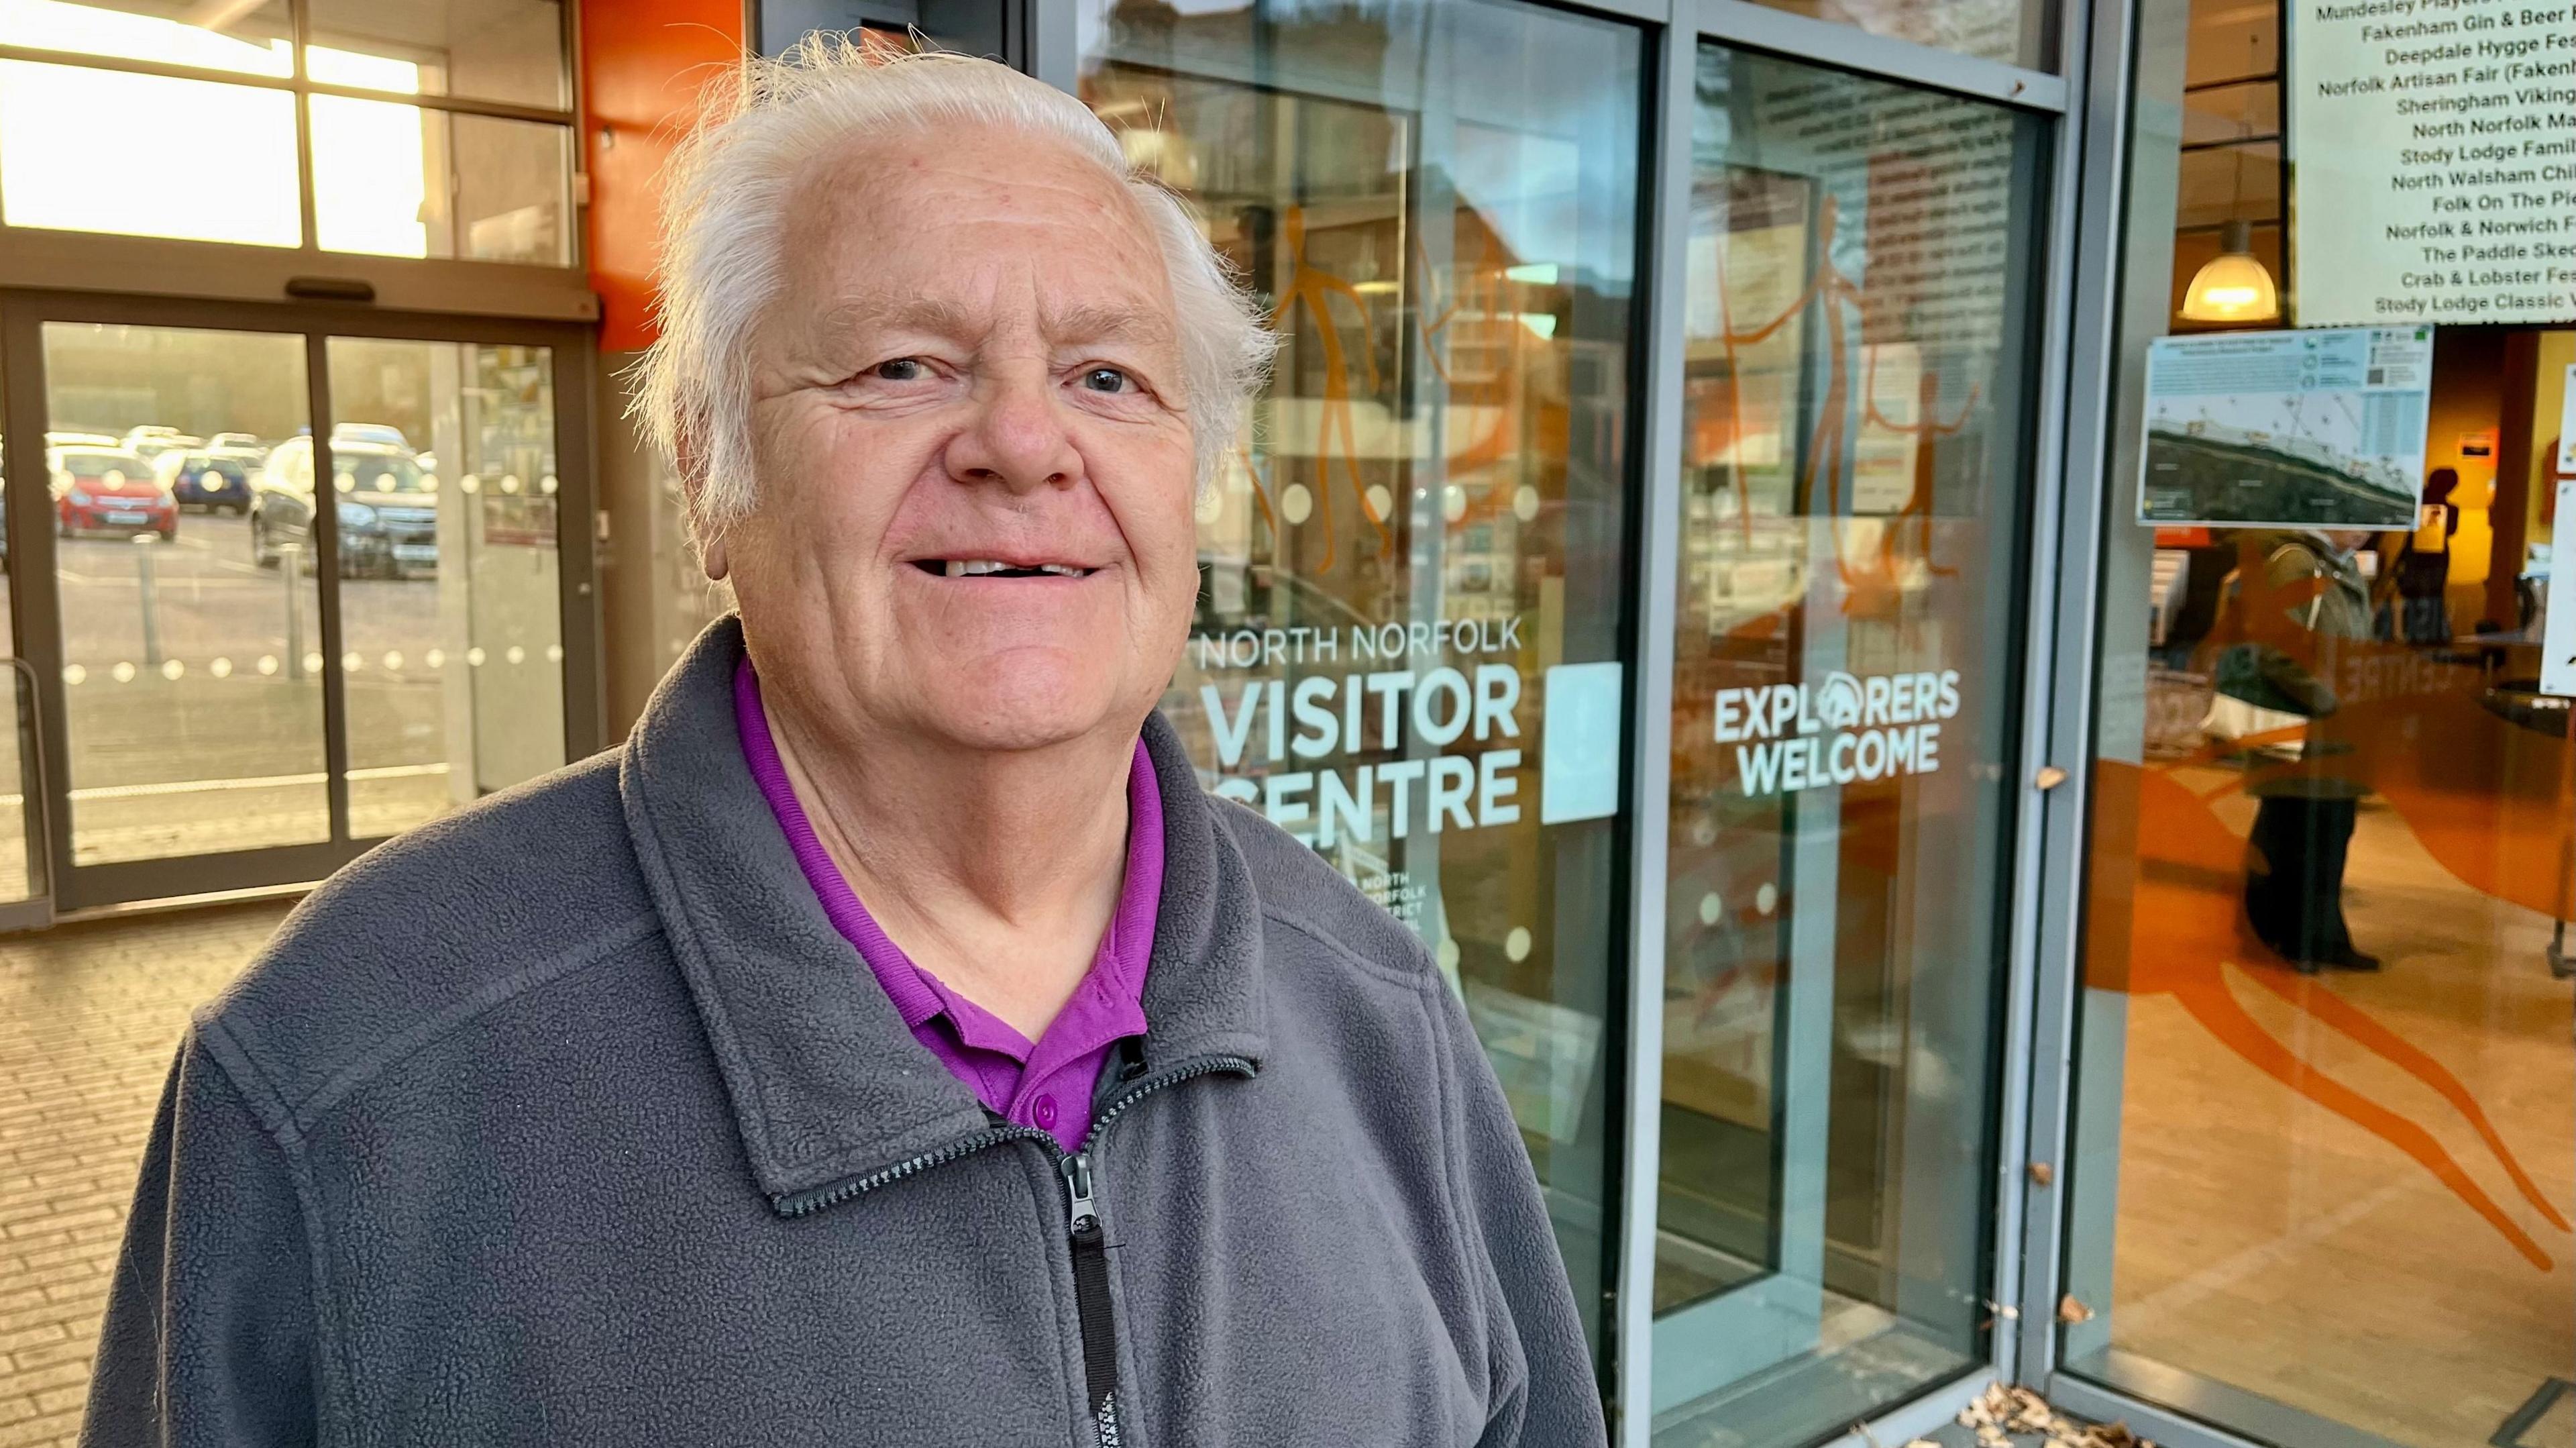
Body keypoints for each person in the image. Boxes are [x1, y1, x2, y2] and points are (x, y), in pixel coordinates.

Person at [80, 42, 1604, 1448]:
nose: (1022, 442)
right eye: (900, 366)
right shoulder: (349, 1077)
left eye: (1106, 378)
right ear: (708, 476)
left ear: (1188, 490)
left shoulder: (1378, 1012)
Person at [2212, 527, 2381, 972]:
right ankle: (2273, 937)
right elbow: (2273, 648)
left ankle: (2323, 935)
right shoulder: (2296, 561)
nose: (2367, 531)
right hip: (2304, 725)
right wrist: (2326, 698)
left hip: (2338, 729)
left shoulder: (2344, 567)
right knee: (2291, 835)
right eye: (2357, 519)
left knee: (2331, 833)